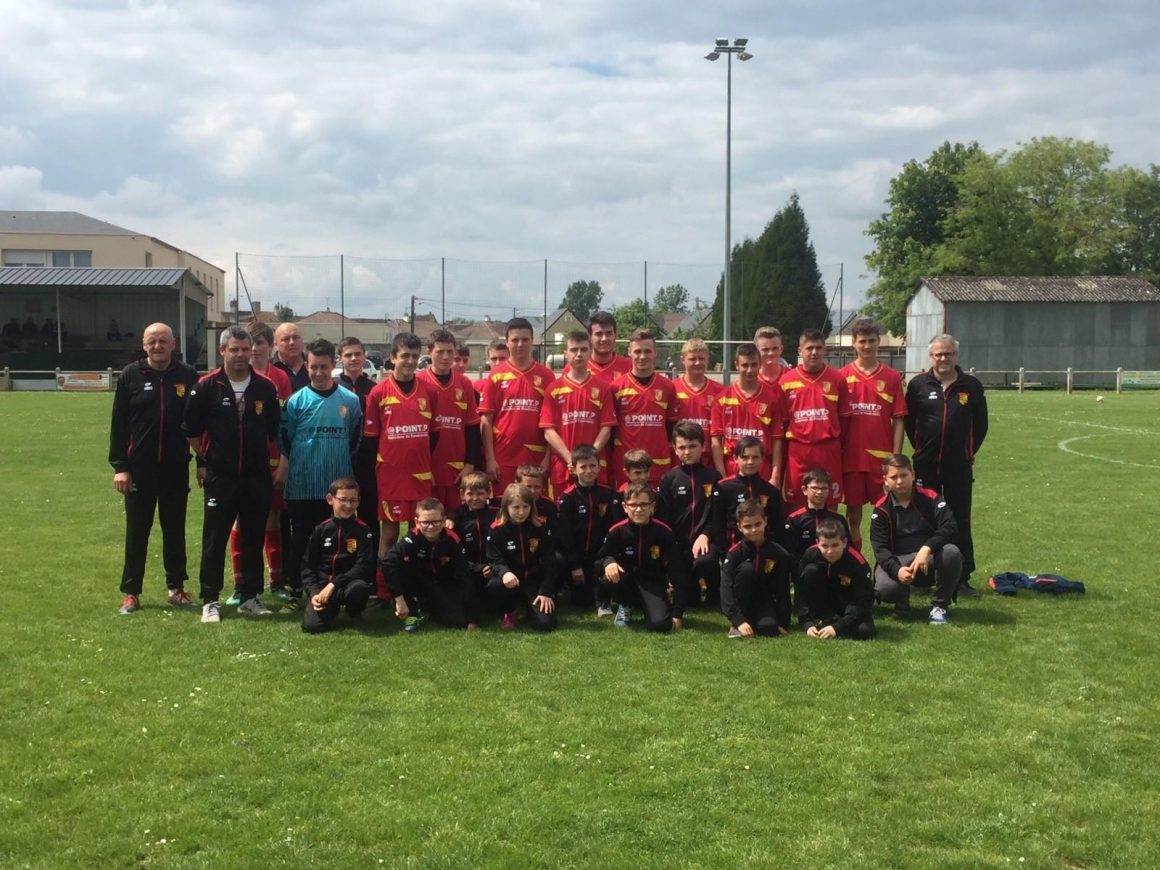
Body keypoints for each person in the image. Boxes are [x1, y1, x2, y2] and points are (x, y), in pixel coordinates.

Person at [182, 326, 283, 623]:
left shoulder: (265, 387)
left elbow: (274, 430)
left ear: (252, 351)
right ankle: (210, 599)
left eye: (245, 349)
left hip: (255, 476)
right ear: (222, 351)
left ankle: (249, 597)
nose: (240, 355)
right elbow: (190, 431)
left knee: (253, 536)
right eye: (234, 349)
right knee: (214, 538)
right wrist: (206, 457)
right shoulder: (205, 386)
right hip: (221, 477)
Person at [109, 322, 201, 614]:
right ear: (143, 344)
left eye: (163, 341)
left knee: (175, 531)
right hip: (139, 470)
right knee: (137, 532)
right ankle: (131, 592)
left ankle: (176, 588)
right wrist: (121, 466)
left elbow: (199, 426)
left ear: (174, 344)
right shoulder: (130, 375)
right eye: (152, 341)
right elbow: (119, 424)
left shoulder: (187, 376)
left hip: (175, 468)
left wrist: (202, 461)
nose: (158, 346)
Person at [905, 333, 988, 597]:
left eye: (948, 353)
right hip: (926, 467)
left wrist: (966, 452)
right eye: (938, 354)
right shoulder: (918, 385)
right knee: (924, 519)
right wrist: (922, 450)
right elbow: (910, 424)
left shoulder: (971, 386)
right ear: (931, 357)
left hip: (958, 468)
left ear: (956, 356)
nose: (943, 358)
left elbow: (981, 426)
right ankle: (923, 576)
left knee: (959, 521)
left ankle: (961, 578)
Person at [280, 339, 363, 602]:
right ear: (307, 366)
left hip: (337, 488)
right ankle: (296, 589)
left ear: (334, 365)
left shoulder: (350, 401)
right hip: (303, 484)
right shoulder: (296, 401)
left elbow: (355, 439)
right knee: (302, 539)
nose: (318, 372)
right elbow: (285, 438)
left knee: (338, 540)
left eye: (324, 367)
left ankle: (336, 589)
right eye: (313, 367)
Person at [223, 320, 293, 605]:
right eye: (247, 344)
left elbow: (284, 424)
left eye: (259, 342)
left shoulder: (279, 377)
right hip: (242, 462)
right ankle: (241, 584)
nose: (253, 349)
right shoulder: (234, 376)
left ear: (267, 346)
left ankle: (276, 579)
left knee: (273, 520)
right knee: (241, 522)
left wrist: (284, 463)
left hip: (273, 461)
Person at [363, 332, 441, 583]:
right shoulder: (378, 393)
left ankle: (417, 584)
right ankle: (383, 586)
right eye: (404, 355)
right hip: (391, 475)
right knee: (390, 533)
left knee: (421, 531)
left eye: (414, 356)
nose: (409, 361)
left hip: (420, 473)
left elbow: (434, 436)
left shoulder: (429, 392)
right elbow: (371, 438)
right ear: (392, 358)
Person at [870, 454, 961, 625]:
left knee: (951, 553)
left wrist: (927, 548)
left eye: (904, 475)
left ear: (913, 474)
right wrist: (897, 570)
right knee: (885, 589)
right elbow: (880, 549)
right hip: (899, 559)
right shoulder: (880, 509)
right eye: (894, 477)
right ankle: (901, 601)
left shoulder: (931, 497)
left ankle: (939, 606)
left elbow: (950, 527)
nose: (899, 481)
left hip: (929, 559)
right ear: (885, 480)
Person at [839, 317, 905, 553]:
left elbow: (898, 419)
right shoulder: (842, 376)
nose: (867, 346)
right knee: (853, 517)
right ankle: (855, 565)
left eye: (872, 341)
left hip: (882, 461)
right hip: (852, 460)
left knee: (886, 517)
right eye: (862, 341)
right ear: (853, 344)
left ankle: (886, 568)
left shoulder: (892, 377)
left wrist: (895, 458)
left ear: (879, 342)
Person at [597, 482, 687, 632]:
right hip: (625, 581)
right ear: (625, 507)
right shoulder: (616, 531)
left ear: (653, 507)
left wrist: (678, 614)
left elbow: (678, 571)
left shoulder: (664, 532)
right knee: (610, 574)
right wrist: (608, 562)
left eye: (644, 504)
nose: (638, 509)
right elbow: (598, 561)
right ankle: (625, 605)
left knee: (659, 625)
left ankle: (660, 602)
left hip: (652, 582)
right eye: (633, 505)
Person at [381, 497, 480, 632]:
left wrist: (472, 619)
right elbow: (387, 561)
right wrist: (399, 600)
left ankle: (430, 608)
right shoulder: (412, 538)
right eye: (426, 522)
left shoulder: (453, 540)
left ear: (444, 520)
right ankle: (413, 613)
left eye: (436, 522)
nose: (431, 527)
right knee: (397, 564)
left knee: (459, 621)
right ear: (416, 522)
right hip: (416, 584)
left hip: (440, 583)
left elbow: (464, 576)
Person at [778, 328, 850, 508]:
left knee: (830, 503)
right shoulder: (786, 381)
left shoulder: (838, 379)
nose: (814, 352)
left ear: (825, 349)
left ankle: (831, 537)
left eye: (818, 347)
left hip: (828, 448)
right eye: (809, 348)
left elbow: (844, 420)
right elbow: (783, 421)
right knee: (795, 503)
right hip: (798, 449)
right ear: (800, 350)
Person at [478, 317, 553, 492]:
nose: (520, 344)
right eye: (515, 340)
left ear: (532, 341)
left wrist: (548, 458)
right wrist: (490, 459)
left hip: (536, 457)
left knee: (535, 511)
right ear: (507, 342)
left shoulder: (546, 376)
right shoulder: (496, 376)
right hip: (503, 457)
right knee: (505, 509)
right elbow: (486, 421)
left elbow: (552, 424)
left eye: (525, 339)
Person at [540, 329, 615, 491]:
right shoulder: (553, 389)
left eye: (583, 349)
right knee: (565, 513)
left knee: (596, 513)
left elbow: (606, 428)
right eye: (574, 350)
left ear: (590, 352)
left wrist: (589, 460)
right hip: (564, 467)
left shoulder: (603, 388)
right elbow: (548, 431)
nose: (579, 354)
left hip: (594, 467)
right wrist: (571, 460)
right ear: (565, 354)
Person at [657, 421, 721, 608]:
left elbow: (717, 515)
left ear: (703, 447)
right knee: (689, 601)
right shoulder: (668, 478)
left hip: (705, 542)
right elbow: (663, 517)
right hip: (679, 545)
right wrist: (672, 546)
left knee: (707, 562)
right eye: (682, 447)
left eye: (692, 446)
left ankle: (714, 594)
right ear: (675, 449)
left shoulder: (713, 477)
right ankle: (690, 588)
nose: (687, 452)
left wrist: (705, 535)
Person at [300, 478, 375, 634]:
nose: (348, 505)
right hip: (323, 587)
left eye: (353, 500)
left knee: (360, 587)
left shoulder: (363, 530)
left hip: (349, 585)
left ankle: (354, 611)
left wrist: (334, 585)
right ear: (330, 499)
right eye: (343, 500)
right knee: (312, 627)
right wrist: (314, 593)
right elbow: (308, 566)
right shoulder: (321, 530)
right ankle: (330, 610)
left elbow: (363, 566)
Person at [420, 329, 481, 509]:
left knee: (457, 523)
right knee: (427, 523)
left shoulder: (464, 384)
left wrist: (470, 464)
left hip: (458, 470)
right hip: (428, 469)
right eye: (440, 352)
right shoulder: (419, 382)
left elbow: (472, 427)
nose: (445, 357)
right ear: (429, 352)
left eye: (449, 351)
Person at [485, 483, 558, 631]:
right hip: (510, 582)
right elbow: (494, 558)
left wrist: (545, 591)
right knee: (494, 586)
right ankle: (511, 610)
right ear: (506, 507)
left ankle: (529, 606)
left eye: (525, 507)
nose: (521, 512)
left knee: (545, 625)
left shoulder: (540, 527)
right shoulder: (497, 530)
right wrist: (505, 572)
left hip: (533, 583)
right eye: (516, 508)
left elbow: (550, 562)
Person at [609, 328, 678, 487]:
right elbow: (610, 432)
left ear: (655, 353)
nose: (642, 356)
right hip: (626, 467)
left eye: (647, 351)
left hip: (658, 465)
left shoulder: (667, 387)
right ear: (629, 352)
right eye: (637, 351)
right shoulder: (615, 387)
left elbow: (671, 429)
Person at [556, 444, 619, 614]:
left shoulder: (609, 494)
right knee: (582, 603)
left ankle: (604, 598)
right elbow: (566, 535)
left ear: (599, 467)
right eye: (583, 467)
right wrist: (575, 565)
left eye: (592, 466)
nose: (589, 471)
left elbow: (614, 529)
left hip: (601, 556)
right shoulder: (567, 498)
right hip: (577, 559)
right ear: (573, 469)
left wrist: (608, 556)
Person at [710, 341, 786, 482]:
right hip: (732, 466)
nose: (749, 370)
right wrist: (721, 474)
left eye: (753, 365)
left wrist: (775, 476)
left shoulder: (773, 398)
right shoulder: (722, 399)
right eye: (745, 365)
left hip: (762, 468)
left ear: (760, 365)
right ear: (736, 365)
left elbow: (777, 441)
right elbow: (716, 440)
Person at [719, 499, 792, 638]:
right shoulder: (735, 553)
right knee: (746, 569)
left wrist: (783, 622)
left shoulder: (778, 553)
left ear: (765, 521)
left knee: (769, 628)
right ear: (739, 527)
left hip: (764, 602)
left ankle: (755, 622)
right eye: (748, 526)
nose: (754, 530)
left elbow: (783, 588)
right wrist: (738, 620)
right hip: (741, 603)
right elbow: (726, 588)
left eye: (758, 524)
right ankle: (737, 625)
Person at [798, 518, 876, 640]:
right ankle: (823, 617)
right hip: (824, 602)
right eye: (824, 545)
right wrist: (806, 622)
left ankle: (835, 623)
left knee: (865, 632)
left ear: (844, 542)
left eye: (835, 545)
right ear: (817, 542)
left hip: (849, 604)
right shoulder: (810, 555)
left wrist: (839, 627)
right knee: (810, 571)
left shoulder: (858, 564)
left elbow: (865, 601)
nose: (830, 551)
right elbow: (801, 592)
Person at [337, 336, 380, 545]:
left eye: (357, 354)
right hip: (339, 460)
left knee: (369, 516)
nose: (353, 359)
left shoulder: (375, 389)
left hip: (368, 462)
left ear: (364, 357)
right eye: (348, 355)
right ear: (340, 359)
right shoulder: (333, 388)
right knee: (340, 514)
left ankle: (370, 567)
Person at [710, 437, 782, 553]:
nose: (750, 462)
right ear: (735, 459)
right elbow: (718, 524)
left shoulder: (771, 491)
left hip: (764, 550)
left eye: (755, 457)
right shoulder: (723, 487)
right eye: (745, 457)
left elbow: (777, 527)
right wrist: (723, 552)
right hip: (734, 549)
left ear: (762, 458)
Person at [450, 471, 498, 616]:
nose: (475, 498)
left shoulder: (498, 512)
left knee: (497, 588)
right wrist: (476, 568)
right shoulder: (456, 517)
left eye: (480, 494)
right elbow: (456, 553)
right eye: (470, 494)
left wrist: (494, 567)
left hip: (493, 568)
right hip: (469, 569)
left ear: (489, 492)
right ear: (462, 494)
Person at [671, 338, 724, 468]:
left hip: (708, 459)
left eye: (701, 358)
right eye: (692, 359)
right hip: (680, 457)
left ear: (708, 359)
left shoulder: (720, 391)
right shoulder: (672, 388)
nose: (697, 363)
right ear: (683, 359)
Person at [783, 468, 853, 566]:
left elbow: (848, 548)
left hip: (834, 570)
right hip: (806, 571)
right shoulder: (794, 520)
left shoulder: (838, 519)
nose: (819, 492)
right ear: (804, 490)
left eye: (824, 488)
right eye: (815, 488)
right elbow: (791, 553)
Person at [570, 310, 632, 383]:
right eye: (599, 334)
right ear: (589, 337)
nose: (604, 339)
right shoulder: (573, 367)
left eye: (609, 333)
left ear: (616, 335)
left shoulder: (630, 367)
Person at [272, 322, 309, 393]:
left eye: (295, 338)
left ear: (302, 341)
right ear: (275, 345)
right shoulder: (269, 369)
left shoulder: (313, 366)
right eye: (286, 339)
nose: (292, 342)